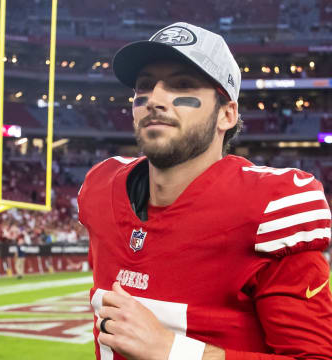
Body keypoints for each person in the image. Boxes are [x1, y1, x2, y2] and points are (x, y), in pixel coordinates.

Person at [78, 22, 332, 360]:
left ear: (226, 114)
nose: (154, 98)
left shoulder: (270, 205)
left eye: (182, 84)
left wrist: (172, 351)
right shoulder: (100, 188)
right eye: (144, 86)